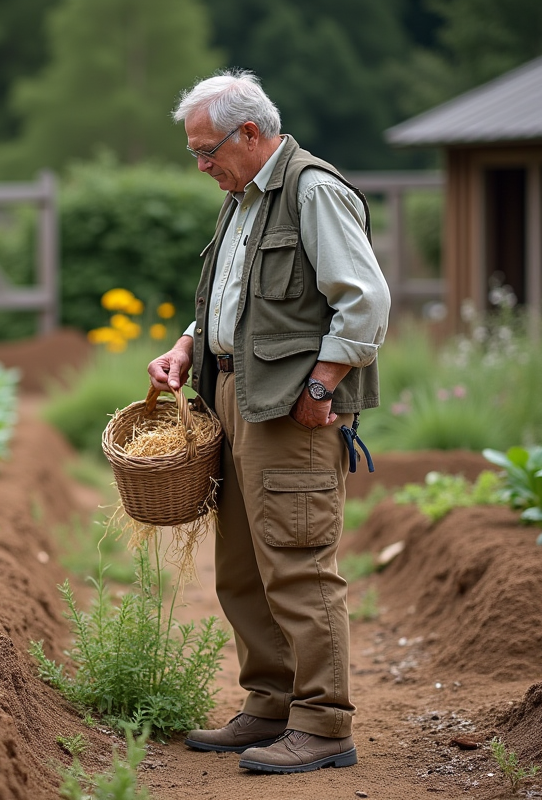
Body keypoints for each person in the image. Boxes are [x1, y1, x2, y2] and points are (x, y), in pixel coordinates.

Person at [147, 69, 390, 774]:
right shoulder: (243, 195)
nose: (201, 165)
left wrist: (323, 383)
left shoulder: (313, 191)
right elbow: (231, 298)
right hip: (234, 395)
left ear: (250, 133)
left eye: (206, 149)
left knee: (297, 561)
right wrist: (188, 344)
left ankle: (322, 723)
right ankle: (270, 703)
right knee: (242, 565)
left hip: (292, 406)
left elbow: (365, 305)